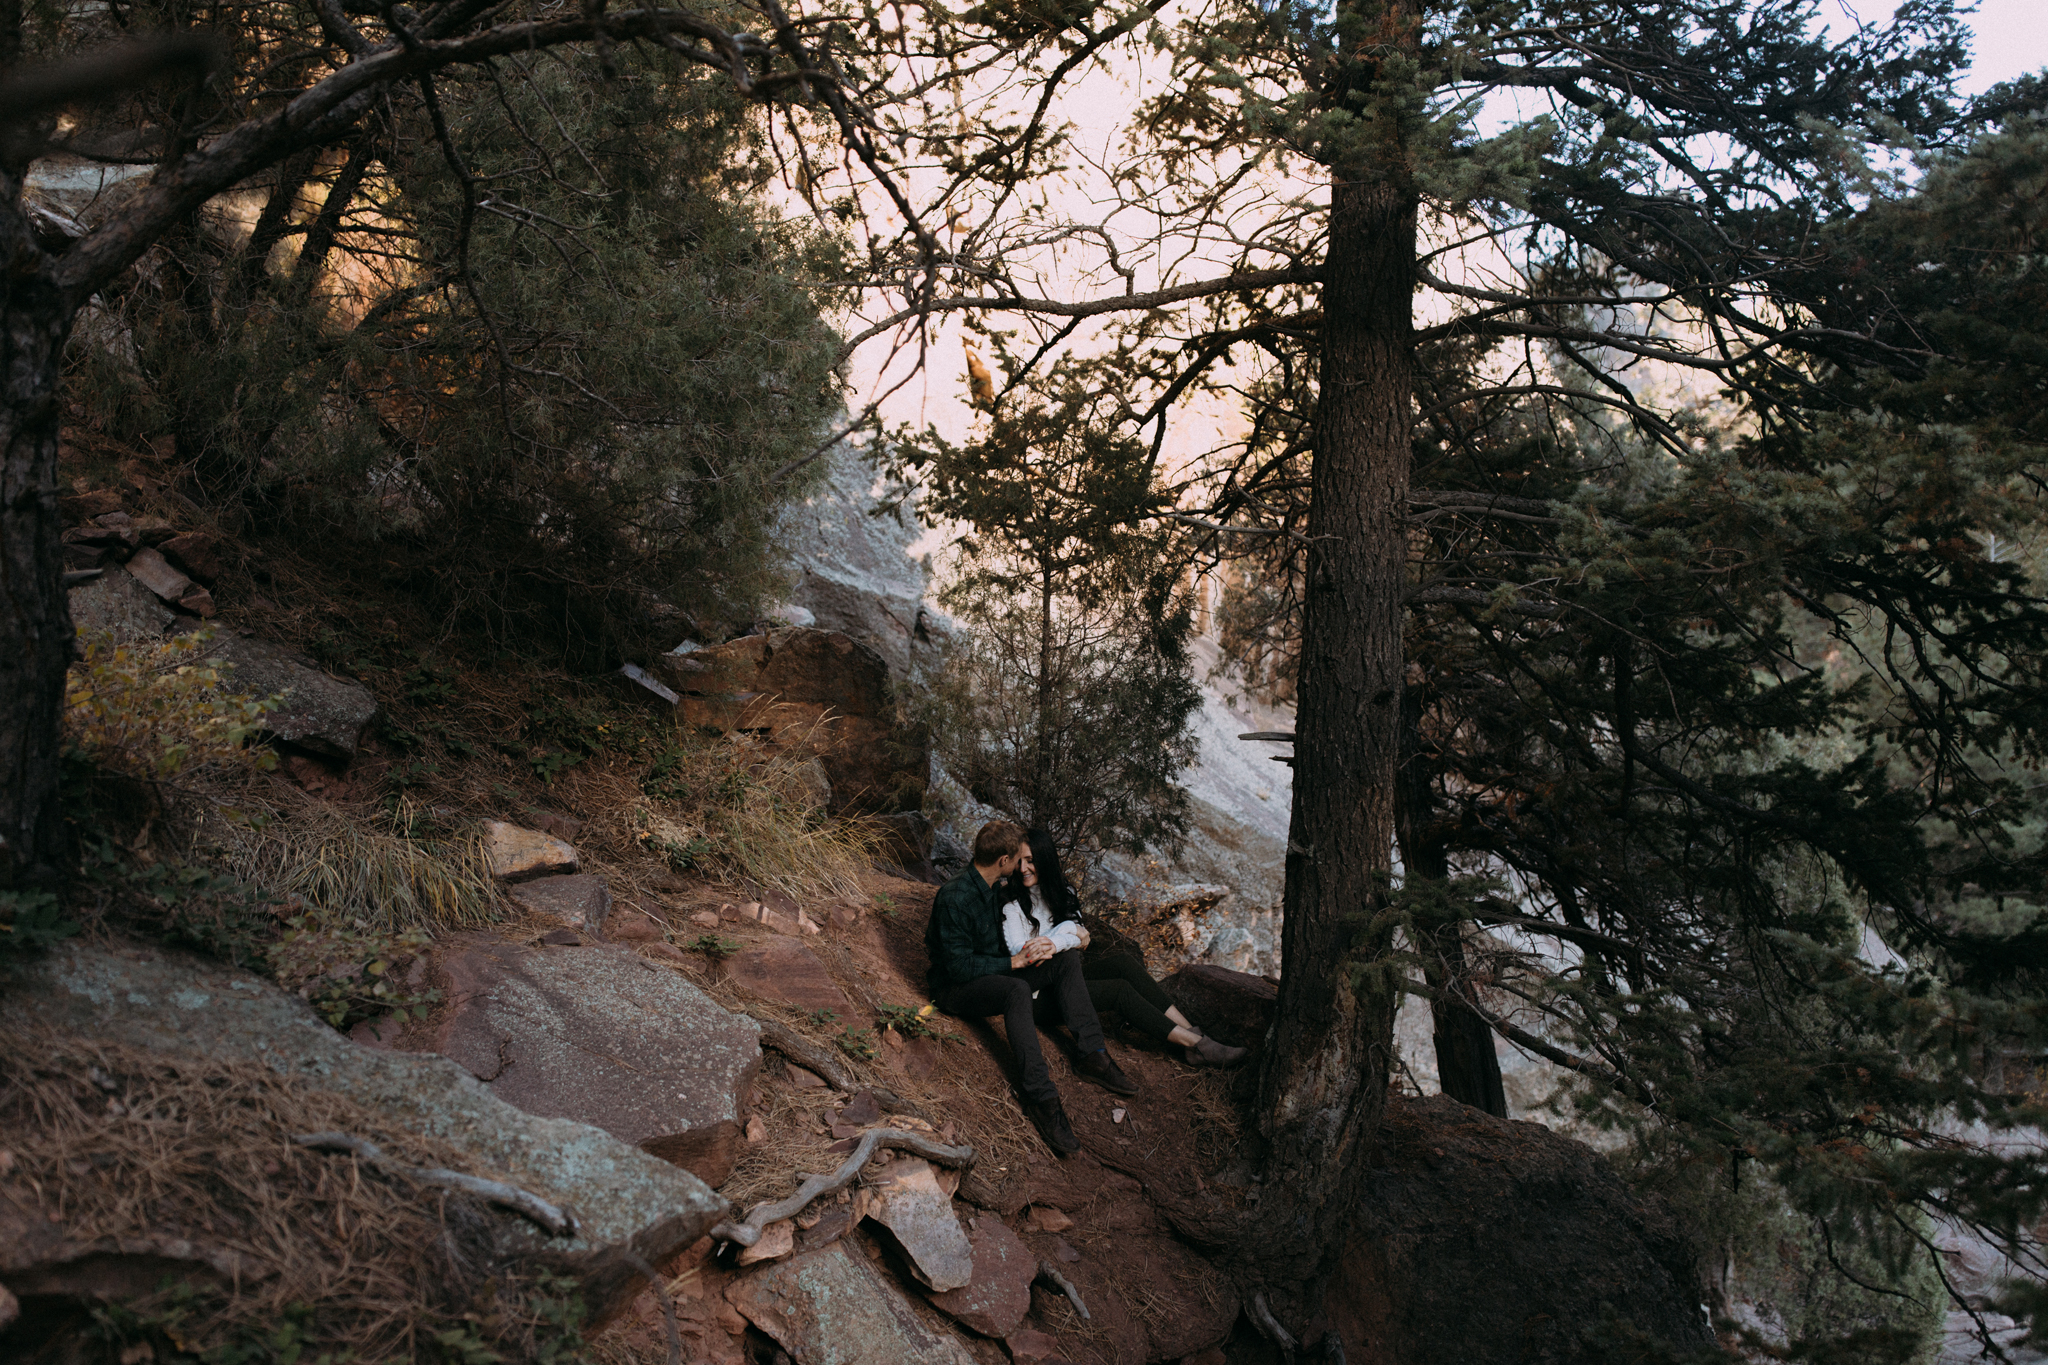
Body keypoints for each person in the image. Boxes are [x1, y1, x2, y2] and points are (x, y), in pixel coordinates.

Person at [925, 820, 1139, 1156]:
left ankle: (1092, 1055)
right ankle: (1042, 1098)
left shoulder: (994, 887)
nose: (1020, 866)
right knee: (1016, 991)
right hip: (957, 989)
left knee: (1064, 961)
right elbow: (957, 968)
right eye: (1016, 860)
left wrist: (1052, 944)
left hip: (992, 975)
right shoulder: (955, 897)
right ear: (1003, 861)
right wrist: (1013, 964)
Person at [1008, 828, 1249, 1068]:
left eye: (1031, 860)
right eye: (1019, 861)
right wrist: (1069, 931)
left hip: (1065, 979)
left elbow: (1083, 941)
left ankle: (1193, 1033)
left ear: (1046, 859)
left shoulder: (1063, 892)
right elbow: (1031, 950)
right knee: (1119, 990)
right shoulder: (1011, 900)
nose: (1023, 868)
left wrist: (1068, 936)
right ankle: (1194, 1045)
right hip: (1038, 997)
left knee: (1123, 962)